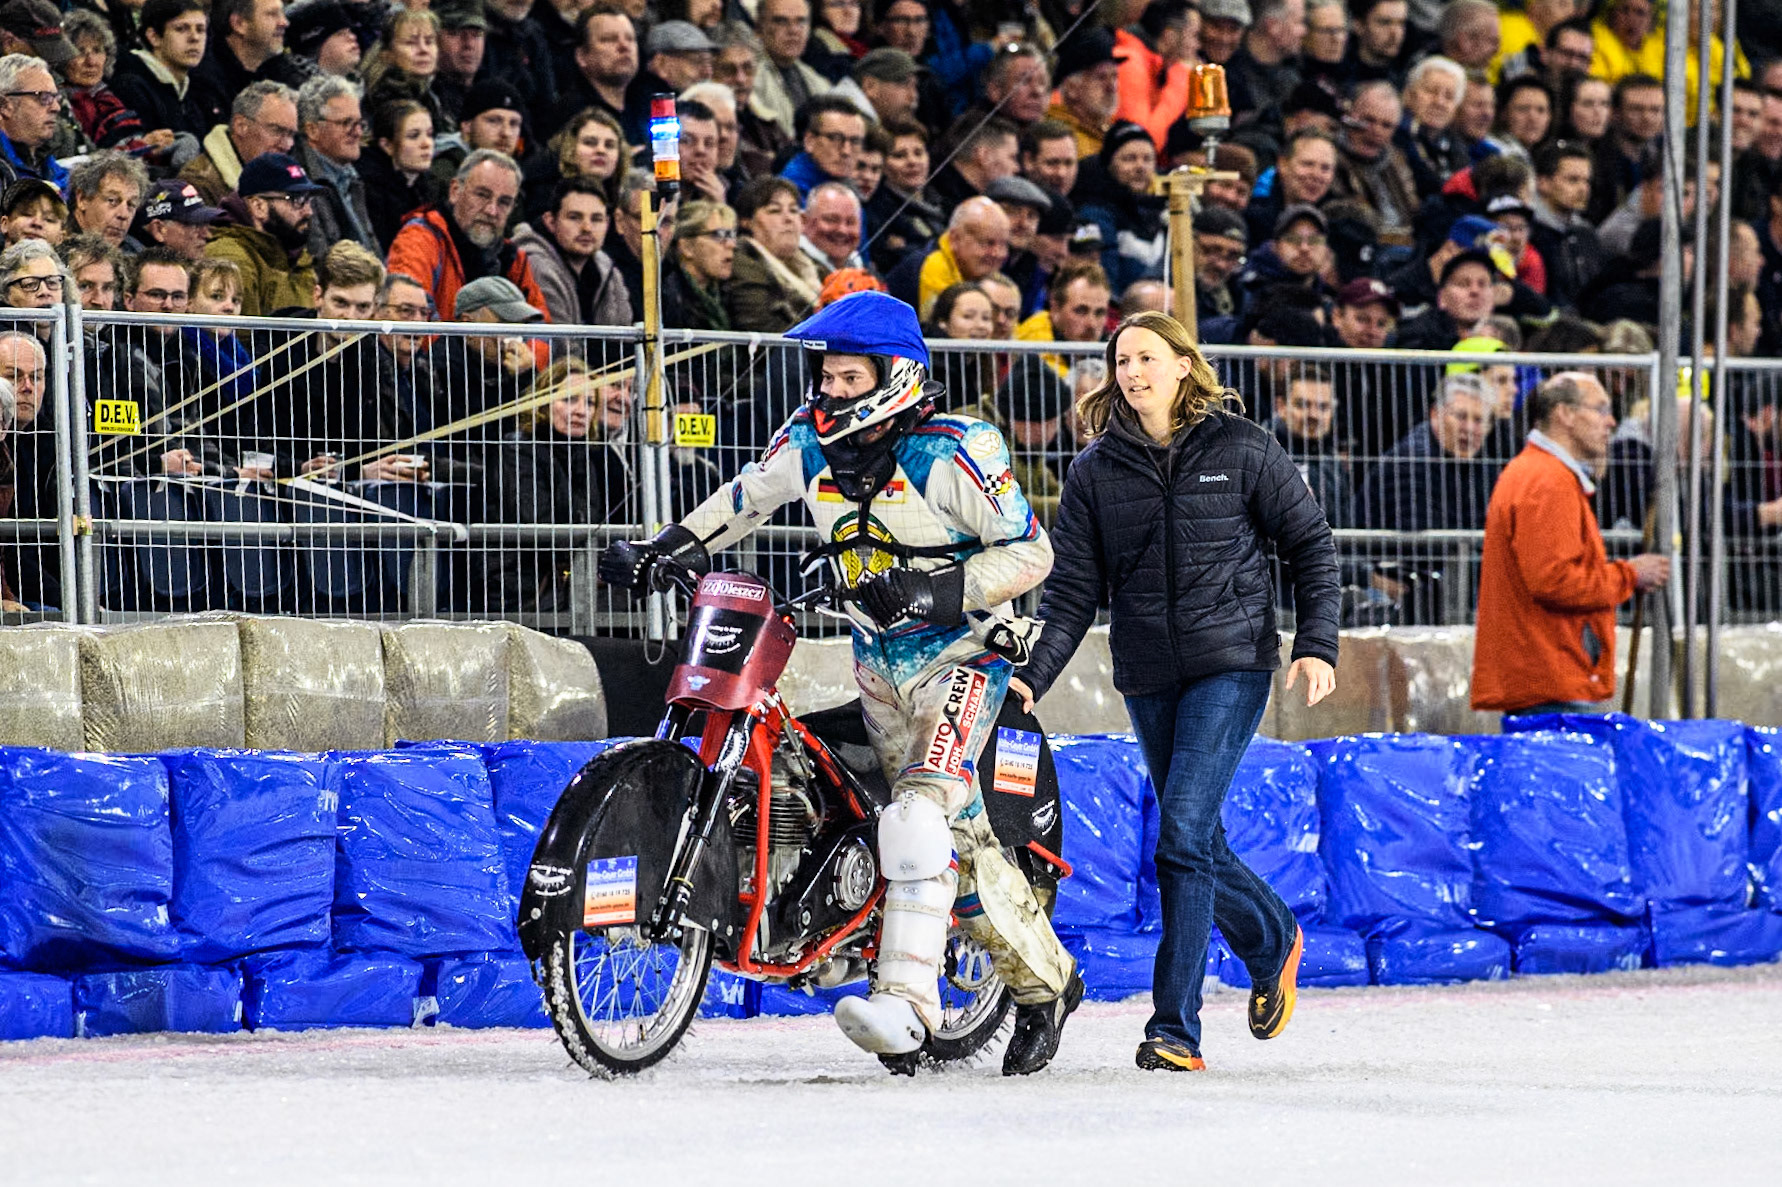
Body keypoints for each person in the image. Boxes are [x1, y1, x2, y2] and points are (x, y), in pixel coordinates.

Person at [600, 290, 1083, 1076]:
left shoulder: (956, 449)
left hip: (963, 656)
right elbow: (744, 498)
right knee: (945, 840)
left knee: (923, 815)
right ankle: (1049, 982)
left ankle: (907, 1006)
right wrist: (665, 546)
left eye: (848, 377)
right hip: (876, 667)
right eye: (824, 374)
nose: (829, 390)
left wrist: (937, 591)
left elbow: (1033, 553)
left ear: (894, 376)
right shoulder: (808, 441)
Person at [1009, 310, 1337, 1073]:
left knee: (1182, 835)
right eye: (1122, 360)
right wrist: (1033, 675)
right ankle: (1272, 937)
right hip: (1150, 672)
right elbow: (1070, 594)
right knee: (1196, 842)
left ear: (1184, 364)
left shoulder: (1241, 446)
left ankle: (1175, 1029)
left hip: (1232, 663)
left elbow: (1309, 545)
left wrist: (1317, 644)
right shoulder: (1093, 472)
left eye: (1148, 357)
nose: (1133, 372)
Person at [1471, 372, 1671, 715]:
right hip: (1552, 674)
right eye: (1600, 409)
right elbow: (1555, 581)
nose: (1611, 421)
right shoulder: (1548, 482)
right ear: (1564, 414)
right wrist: (1628, 576)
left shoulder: (1538, 474)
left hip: (1548, 672)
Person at [386, 148, 550, 321]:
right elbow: (407, 318)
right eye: (482, 195)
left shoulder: (513, 258)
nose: (492, 210)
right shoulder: (419, 239)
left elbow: (542, 331)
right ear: (455, 191)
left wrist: (513, 347)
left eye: (504, 202)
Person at [204, 151, 323, 316]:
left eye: (309, 199)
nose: (308, 211)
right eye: (296, 200)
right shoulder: (230, 259)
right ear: (258, 206)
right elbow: (242, 337)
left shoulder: (297, 258)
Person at [513, 177, 629, 326]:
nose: (587, 228)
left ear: (607, 223)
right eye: (574, 217)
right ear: (551, 222)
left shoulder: (608, 269)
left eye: (596, 219)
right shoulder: (536, 265)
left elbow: (624, 340)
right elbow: (560, 344)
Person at [179, 79, 300, 205]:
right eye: (276, 130)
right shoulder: (199, 184)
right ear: (241, 126)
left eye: (291, 134)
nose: (287, 145)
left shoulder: (287, 181)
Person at [109, 0, 213, 138]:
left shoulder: (192, 88)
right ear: (154, 37)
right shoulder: (131, 87)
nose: (194, 37)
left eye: (200, 29)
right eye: (181, 29)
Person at [0, 52, 67, 190]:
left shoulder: (46, 162)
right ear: (5, 106)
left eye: (55, 97)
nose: (56, 107)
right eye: (43, 97)